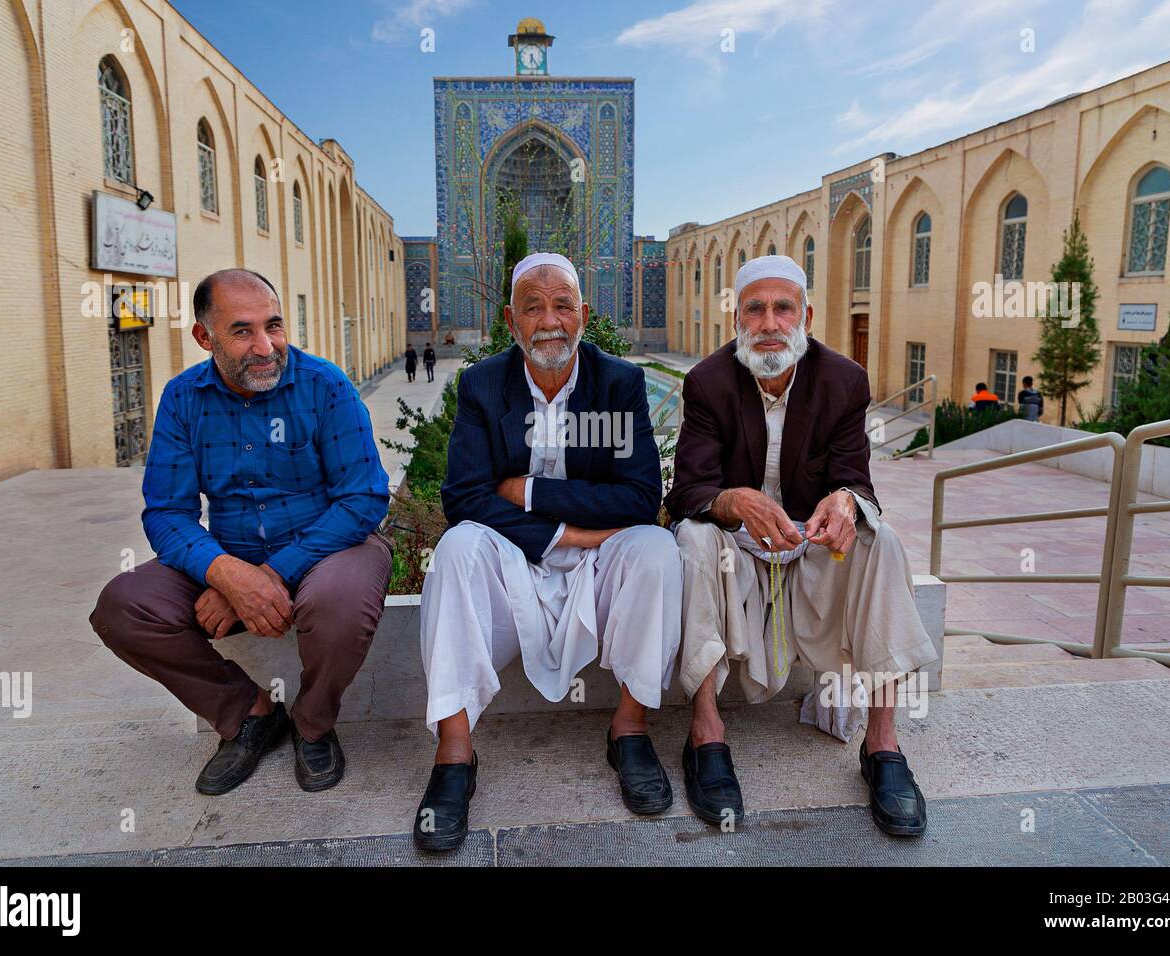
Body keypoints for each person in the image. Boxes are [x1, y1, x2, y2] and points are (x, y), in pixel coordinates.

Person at [413, 252, 682, 852]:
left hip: (599, 564)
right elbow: (463, 498)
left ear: (583, 314)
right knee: (457, 549)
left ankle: (630, 730)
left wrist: (532, 490)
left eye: (562, 305)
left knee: (657, 549)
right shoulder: (484, 385)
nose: (549, 320)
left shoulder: (618, 384)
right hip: (516, 558)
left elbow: (639, 498)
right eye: (533, 307)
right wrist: (566, 532)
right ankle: (455, 752)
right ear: (512, 322)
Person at [90, 269, 392, 796]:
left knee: (340, 601)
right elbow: (166, 512)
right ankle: (249, 712)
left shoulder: (325, 386)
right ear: (204, 337)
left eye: (273, 326)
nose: (265, 346)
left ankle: (312, 724)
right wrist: (224, 572)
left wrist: (267, 576)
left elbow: (363, 497)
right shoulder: (184, 399)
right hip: (232, 551)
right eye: (243, 331)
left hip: (331, 548)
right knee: (123, 607)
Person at [665, 255, 937, 837]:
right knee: (689, 537)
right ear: (736, 319)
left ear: (805, 316)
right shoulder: (709, 383)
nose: (769, 322)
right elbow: (686, 490)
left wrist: (844, 501)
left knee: (879, 539)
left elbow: (857, 480)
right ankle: (706, 731)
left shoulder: (843, 380)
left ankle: (882, 745)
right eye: (754, 309)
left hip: (809, 551)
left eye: (782, 307)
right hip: (737, 554)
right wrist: (736, 502)